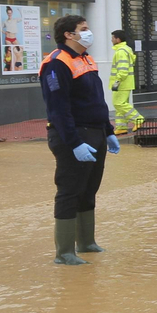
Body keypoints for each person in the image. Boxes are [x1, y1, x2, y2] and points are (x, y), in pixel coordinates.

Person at [39, 14, 118, 264]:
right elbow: (57, 109)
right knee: (69, 191)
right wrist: (73, 142)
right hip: (73, 136)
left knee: (89, 189)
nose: (88, 32)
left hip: (95, 133)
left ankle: (86, 243)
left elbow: (97, 100)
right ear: (68, 35)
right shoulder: (56, 63)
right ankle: (64, 252)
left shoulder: (86, 58)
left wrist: (108, 130)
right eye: (83, 29)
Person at [110, 30, 143, 135]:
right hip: (126, 83)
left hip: (122, 83)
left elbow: (122, 69)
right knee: (121, 105)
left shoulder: (121, 52)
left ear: (117, 39)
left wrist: (117, 81)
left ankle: (138, 119)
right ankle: (121, 127)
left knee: (118, 103)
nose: (111, 40)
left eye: (113, 38)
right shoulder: (126, 50)